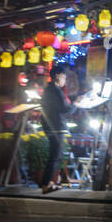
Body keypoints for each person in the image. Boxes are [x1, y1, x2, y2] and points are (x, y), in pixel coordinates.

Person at [39, 66, 71, 194]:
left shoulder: (49, 89)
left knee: (54, 156)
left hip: (51, 126)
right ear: (58, 75)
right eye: (64, 77)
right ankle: (47, 184)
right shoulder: (56, 90)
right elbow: (64, 108)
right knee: (55, 156)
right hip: (57, 127)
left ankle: (48, 183)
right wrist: (77, 104)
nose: (65, 80)